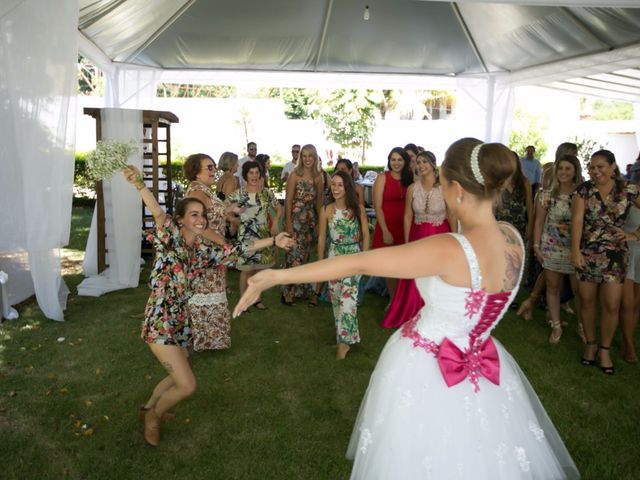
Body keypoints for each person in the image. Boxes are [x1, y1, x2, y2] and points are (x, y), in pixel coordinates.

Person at [232, 138, 579, 479]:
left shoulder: (448, 248)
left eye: (442, 185)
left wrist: (276, 276)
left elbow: (358, 263)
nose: (440, 192)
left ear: (458, 188)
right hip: (484, 366)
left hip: (426, 367)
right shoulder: (511, 238)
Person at [122, 165, 292, 447]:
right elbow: (157, 211)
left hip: (181, 320)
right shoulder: (169, 238)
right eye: (194, 215)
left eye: (202, 215)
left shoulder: (200, 253)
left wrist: (274, 239)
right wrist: (139, 184)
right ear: (180, 220)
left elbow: (237, 249)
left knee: (180, 370)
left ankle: (147, 408)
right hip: (160, 321)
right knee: (187, 384)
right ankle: (154, 414)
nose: (201, 220)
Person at [571, 149, 640, 375]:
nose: (595, 171)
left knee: (611, 304)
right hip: (587, 252)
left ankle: (605, 349)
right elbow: (577, 221)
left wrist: (635, 235)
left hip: (616, 255)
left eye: (600, 166)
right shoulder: (584, 190)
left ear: (612, 167)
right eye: (592, 167)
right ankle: (590, 345)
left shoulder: (629, 189)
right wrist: (574, 251)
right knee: (587, 301)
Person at [382, 150, 453, 328]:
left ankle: (437, 315)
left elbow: (451, 215)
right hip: (418, 236)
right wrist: (407, 242)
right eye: (419, 162)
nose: (421, 166)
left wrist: (456, 238)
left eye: (425, 162)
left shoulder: (444, 188)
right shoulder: (413, 189)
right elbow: (407, 216)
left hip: (440, 236)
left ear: (433, 164)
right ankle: (412, 312)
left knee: (437, 277)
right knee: (416, 276)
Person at [316, 171, 370, 359]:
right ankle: (343, 337)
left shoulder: (358, 209)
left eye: (340, 185)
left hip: (353, 257)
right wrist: (320, 262)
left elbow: (365, 235)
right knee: (337, 299)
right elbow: (322, 237)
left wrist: (366, 259)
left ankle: (344, 344)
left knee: (348, 299)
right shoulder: (326, 210)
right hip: (333, 256)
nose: (336, 188)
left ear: (347, 187)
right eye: (333, 185)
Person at [532, 154, 583, 344]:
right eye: (560, 168)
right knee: (553, 288)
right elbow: (539, 222)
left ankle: (583, 326)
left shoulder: (582, 195)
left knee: (580, 291)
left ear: (575, 171)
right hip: (551, 247)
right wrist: (536, 246)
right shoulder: (547, 195)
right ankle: (556, 325)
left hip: (574, 249)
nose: (563, 172)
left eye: (568, 168)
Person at [184, 154, 232, 351]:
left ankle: (213, 339)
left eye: (214, 167)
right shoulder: (197, 192)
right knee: (203, 293)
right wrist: (222, 241)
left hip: (212, 251)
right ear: (196, 171)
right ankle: (202, 339)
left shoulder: (204, 190)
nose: (214, 171)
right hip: (204, 251)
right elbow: (197, 224)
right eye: (209, 168)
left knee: (213, 291)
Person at [227, 160, 283, 310]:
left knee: (260, 271)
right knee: (246, 270)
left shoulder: (266, 193)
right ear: (245, 175)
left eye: (257, 172)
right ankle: (243, 301)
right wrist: (234, 220)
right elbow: (223, 209)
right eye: (251, 173)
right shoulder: (239, 194)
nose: (254, 176)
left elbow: (278, 208)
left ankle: (257, 299)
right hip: (246, 237)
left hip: (264, 236)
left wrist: (276, 221)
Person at [281, 144, 324, 305]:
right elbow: (288, 201)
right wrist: (289, 224)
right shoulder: (294, 175)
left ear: (315, 157)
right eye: (304, 156)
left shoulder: (319, 177)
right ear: (300, 158)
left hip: (310, 221)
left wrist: (320, 223)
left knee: (305, 256)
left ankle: (300, 289)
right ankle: (288, 291)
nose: (307, 159)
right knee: (292, 255)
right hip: (295, 219)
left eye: (310, 156)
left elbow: (319, 202)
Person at [371, 147, 413, 302]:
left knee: (403, 265)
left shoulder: (410, 179)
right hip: (387, 226)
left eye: (400, 160)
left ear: (405, 161)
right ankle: (393, 300)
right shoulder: (383, 178)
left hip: (405, 226)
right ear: (389, 161)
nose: (396, 163)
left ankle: (403, 299)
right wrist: (385, 230)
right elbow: (377, 206)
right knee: (389, 266)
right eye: (393, 159)